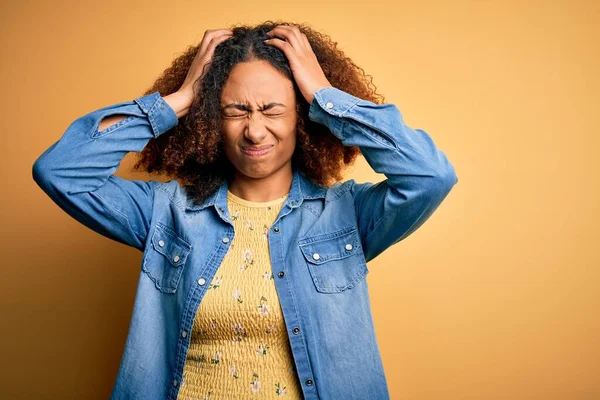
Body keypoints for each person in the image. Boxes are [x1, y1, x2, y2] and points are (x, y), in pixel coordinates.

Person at [32, 21, 458, 400]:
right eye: (235, 111)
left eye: (273, 109)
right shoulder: (166, 213)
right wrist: (178, 101)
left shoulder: (346, 215)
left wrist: (328, 99)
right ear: (211, 119)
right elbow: (59, 172)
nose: (255, 130)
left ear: (302, 118)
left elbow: (430, 177)